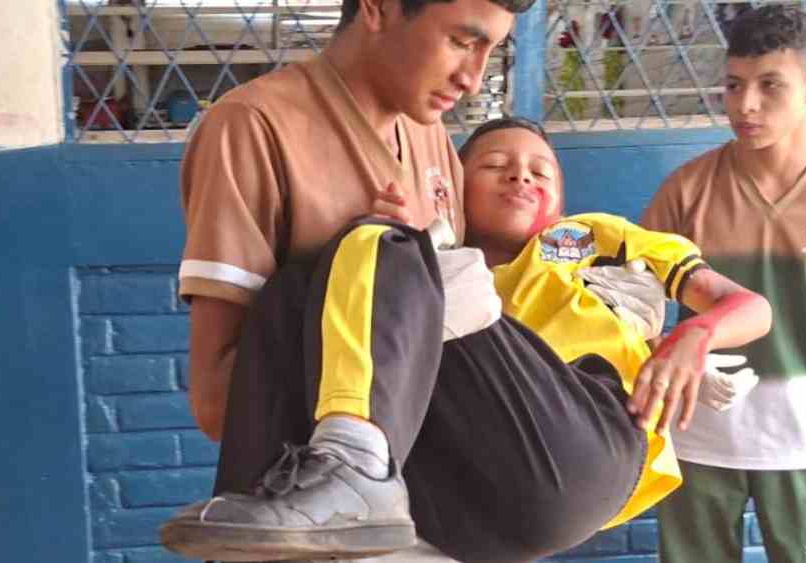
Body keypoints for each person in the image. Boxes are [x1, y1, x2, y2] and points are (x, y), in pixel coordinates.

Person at [160, 113, 771, 562]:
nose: (521, 176)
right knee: (299, 287)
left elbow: (748, 307)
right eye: (495, 166)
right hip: (474, 493)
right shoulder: (434, 278)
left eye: (540, 170)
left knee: (378, 241)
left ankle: (352, 466)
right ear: (449, 188)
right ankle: (264, 526)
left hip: (588, 441)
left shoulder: (588, 239)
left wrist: (692, 337)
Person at [635, 6, 806, 562]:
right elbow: (635, 305)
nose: (745, 105)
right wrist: (671, 350)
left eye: (769, 86)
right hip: (699, 434)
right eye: (734, 85)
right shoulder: (687, 191)